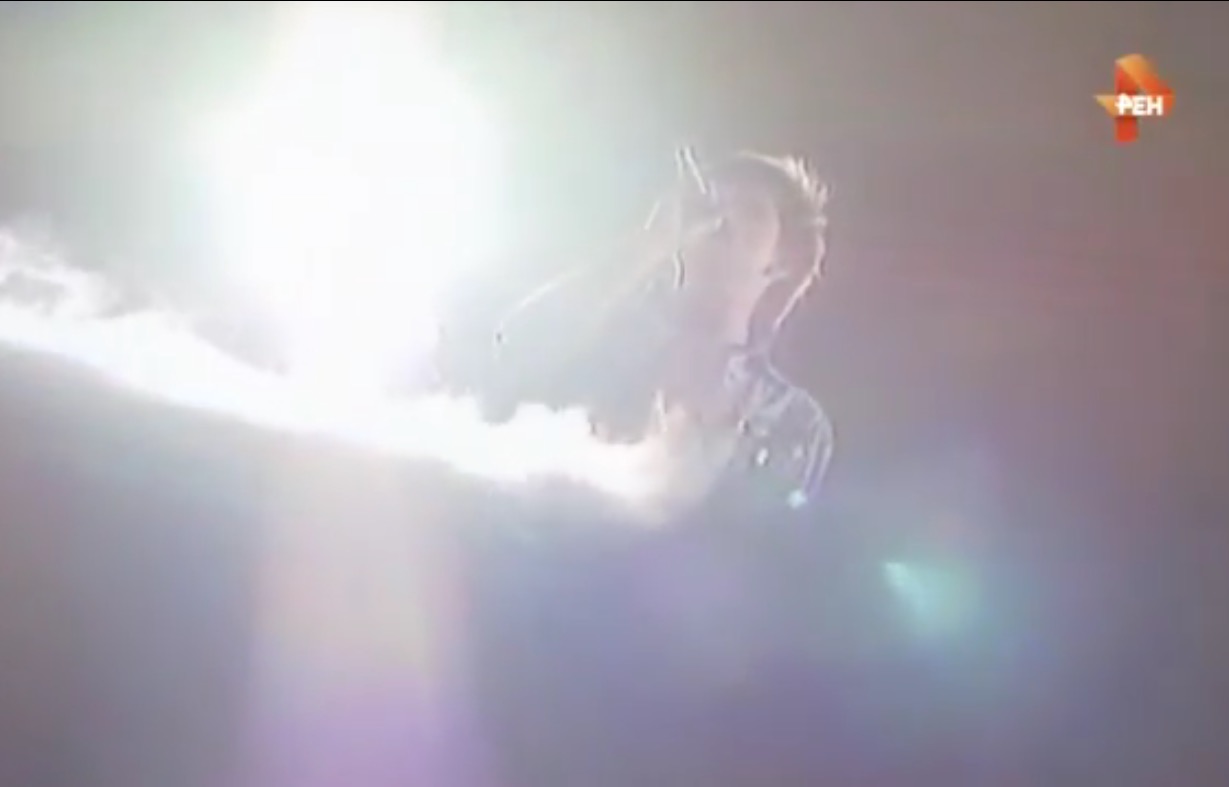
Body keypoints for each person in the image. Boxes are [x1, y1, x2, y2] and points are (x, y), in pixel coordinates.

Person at [494, 148, 835, 514]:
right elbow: (515, 348)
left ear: (782, 262)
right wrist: (652, 241)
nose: (721, 212)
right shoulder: (608, 345)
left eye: (750, 209)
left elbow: (762, 536)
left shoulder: (788, 417)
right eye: (714, 195)